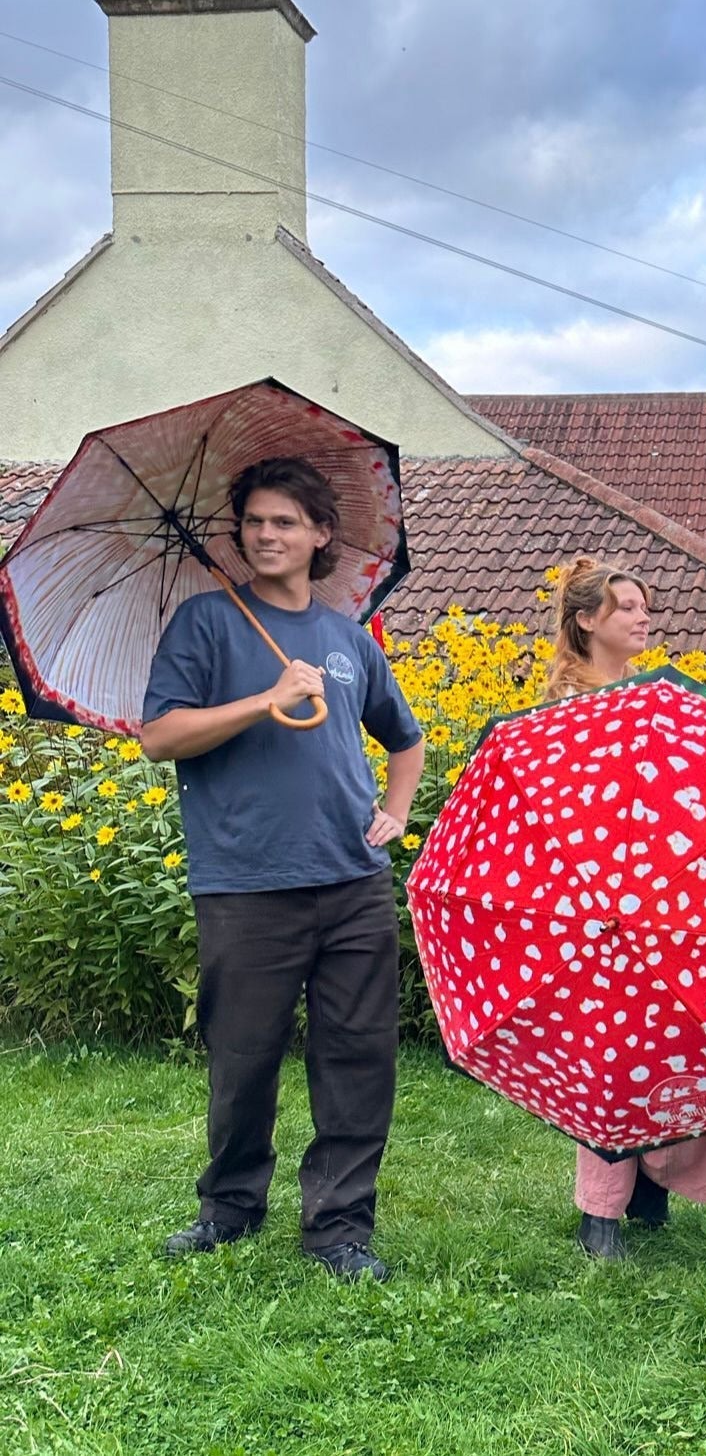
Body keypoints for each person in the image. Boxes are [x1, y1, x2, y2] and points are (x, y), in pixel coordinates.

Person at [140, 456, 425, 1282]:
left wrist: (396, 813)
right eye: (257, 521)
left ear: (320, 535)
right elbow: (161, 737)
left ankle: (339, 1227)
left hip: (351, 879)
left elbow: (402, 740)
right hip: (244, 882)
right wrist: (260, 701)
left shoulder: (346, 638)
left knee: (358, 1058)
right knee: (244, 1055)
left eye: (286, 523)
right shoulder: (206, 624)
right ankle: (229, 1208)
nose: (268, 535)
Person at [546, 555, 706, 1262]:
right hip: (598, 910)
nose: (643, 616)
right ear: (588, 620)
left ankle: (657, 1176)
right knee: (609, 1056)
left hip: (664, 897)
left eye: (644, 605)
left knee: (680, 1041)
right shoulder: (569, 706)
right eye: (627, 607)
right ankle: (600, 1213)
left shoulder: (653, 698)